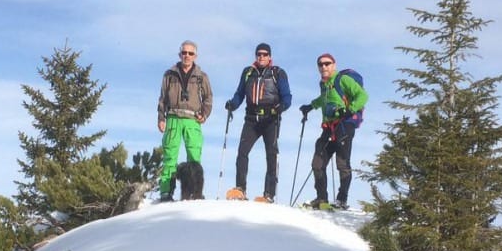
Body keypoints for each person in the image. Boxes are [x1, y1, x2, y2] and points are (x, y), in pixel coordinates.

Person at [223, 42, 291, 202]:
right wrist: (233, 104)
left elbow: (287, 96)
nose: (261, 57)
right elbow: (240, 94)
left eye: (264, 54)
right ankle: (240, 189)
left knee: (271, 155)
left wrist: (282, 106)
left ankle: (269, 194)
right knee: (242, 152)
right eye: (259, 54)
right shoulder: (248, 72)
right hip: (251, 119)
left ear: (270, 57)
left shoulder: (277, 73)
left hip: (271, 118)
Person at [300, 53, 368, 210]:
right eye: (320, 64)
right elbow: (323, 99)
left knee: (342, 164)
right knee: (318, 163)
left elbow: (363, 96)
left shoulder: (342, 80)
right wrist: (310, 106)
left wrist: (350, 110)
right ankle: (322, 198)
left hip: (344, 125)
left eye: (327, 63)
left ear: (334, 65)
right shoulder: (324, 84)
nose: (323, 66)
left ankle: (341, 200)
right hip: (328, 127)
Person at [156, 40, 213, 201]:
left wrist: (205, 113)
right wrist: (161, 117)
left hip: (192, 119)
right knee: (169, 156)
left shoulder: (202, 76)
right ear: (179, 54)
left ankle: (194, 192)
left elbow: (208, 98)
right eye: (184, 52)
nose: (186, 56)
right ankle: (166, 192)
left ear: (195, 56)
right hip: (173, 117)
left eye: (190, 53)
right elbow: (162, 98)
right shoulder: (169, 74)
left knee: (194, 158)